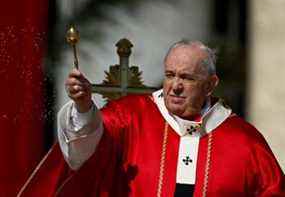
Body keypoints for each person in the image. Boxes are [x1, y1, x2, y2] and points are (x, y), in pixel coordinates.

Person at [18, 41, 285, 197]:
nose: (175, 86)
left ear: (211, 84)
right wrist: (85, 107)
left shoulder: (244, 142)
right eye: (170, 75)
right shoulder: (130, 119)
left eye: (187, 78)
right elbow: (85, 147)